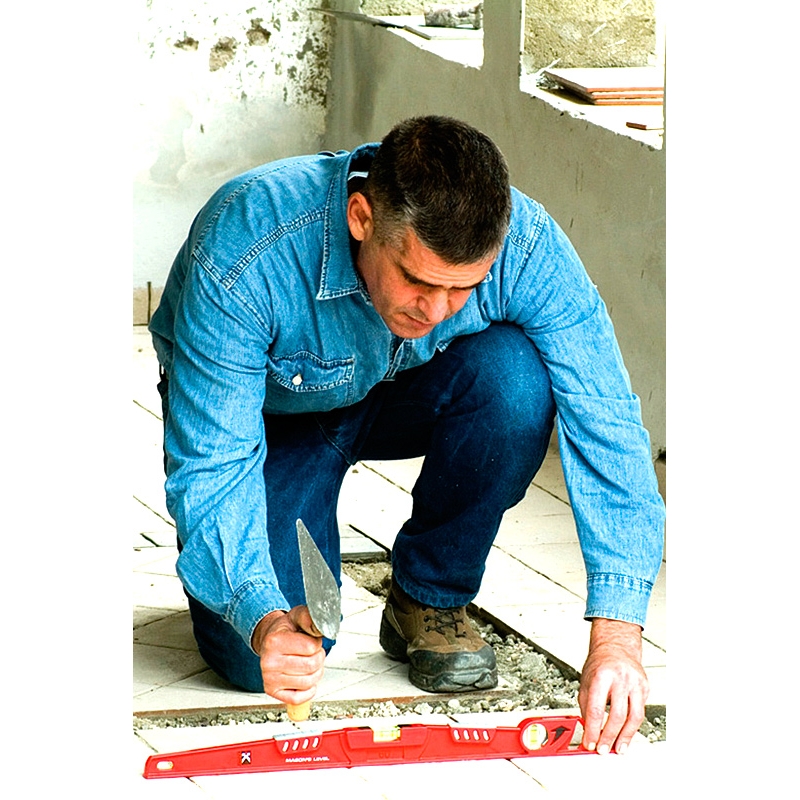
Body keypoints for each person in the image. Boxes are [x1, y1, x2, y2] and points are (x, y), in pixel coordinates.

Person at [149, 115, 665, 756]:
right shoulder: (247, 249)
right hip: (269, 421)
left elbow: (606, 420)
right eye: (417, 280)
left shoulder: (527, 245)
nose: (435, 309)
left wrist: (617, 638)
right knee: (261, 661)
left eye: (462, 288)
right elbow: (214, 461)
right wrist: (260, 615)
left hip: (398, 393)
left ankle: (427, 597)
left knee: (517, 381)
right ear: (361, 217)